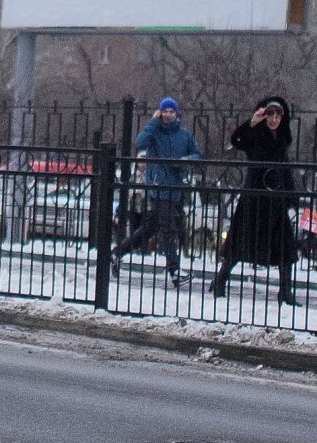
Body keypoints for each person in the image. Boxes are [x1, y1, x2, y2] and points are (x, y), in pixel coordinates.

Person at [209, 97, 298, 305]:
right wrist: (251, 122)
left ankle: (285, 292)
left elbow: (285, 170)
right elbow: (236, 140)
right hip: (254, 198)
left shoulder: (283, 138)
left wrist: (291, 199)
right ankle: (220, 281)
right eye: (270, 115)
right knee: (239, 245)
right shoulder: (255, 134)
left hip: (276, 200)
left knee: (285, 247)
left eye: (278, 116)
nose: (274, 119)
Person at [112, 98, 202, 287]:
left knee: (150, 228)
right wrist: (153, 121)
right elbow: (140, 141)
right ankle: (175, 271)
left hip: (174, 186)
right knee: (168, 229)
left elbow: (197, 153)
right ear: (160, 113)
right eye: (165, 111)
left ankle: (117, 253)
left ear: (177, 113)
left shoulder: (184, 135)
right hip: (158, 186)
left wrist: (185, 159)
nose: (168, 114)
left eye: (171, 111)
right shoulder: (155, 132)